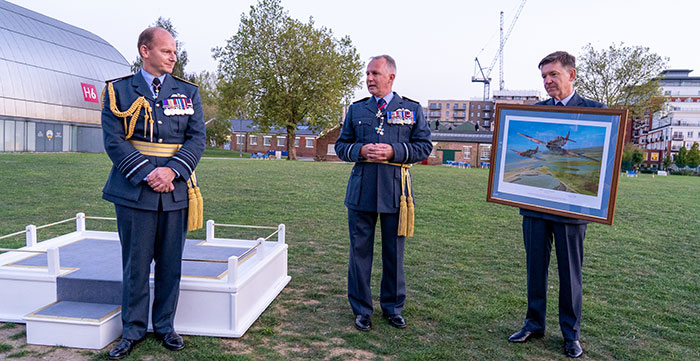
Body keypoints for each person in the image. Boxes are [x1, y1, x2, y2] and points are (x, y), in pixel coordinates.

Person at [101, 27, 205, 359]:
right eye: (167, 51)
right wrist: (148, 173)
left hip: (175, 189)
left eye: (175, 51)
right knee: (135, 264)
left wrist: (172, 170)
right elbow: (113, 140)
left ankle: (164, 327)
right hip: (135, 191)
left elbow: (196, 138)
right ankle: (132, 330)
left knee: (170, 264)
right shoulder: (118, 91)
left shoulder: (188, 92)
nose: (174, 57)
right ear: (145, 51)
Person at [507, 51, 605, 358]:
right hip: (535, 206)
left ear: (571, 74)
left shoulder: (597, 111)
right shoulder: (535, 113)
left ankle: (570, 333)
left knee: (569, 272)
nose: (548, 81)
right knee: (535, 267)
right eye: (544, 77)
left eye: (553, 75)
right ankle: (533, 323)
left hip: (573, 209)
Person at [335, 55, 432, 331]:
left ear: (391, 77)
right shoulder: (356, 110)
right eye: (367, 74)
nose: (369, 79)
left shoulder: (411, 109)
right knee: (359, 254)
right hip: (362, 191)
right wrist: (360, 151)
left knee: (394, 254)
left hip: (395, 192)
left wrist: (394, 151)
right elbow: (342, 147)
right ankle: (362, 310)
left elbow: (424, 147)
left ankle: (392, 308)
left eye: (375, 73)